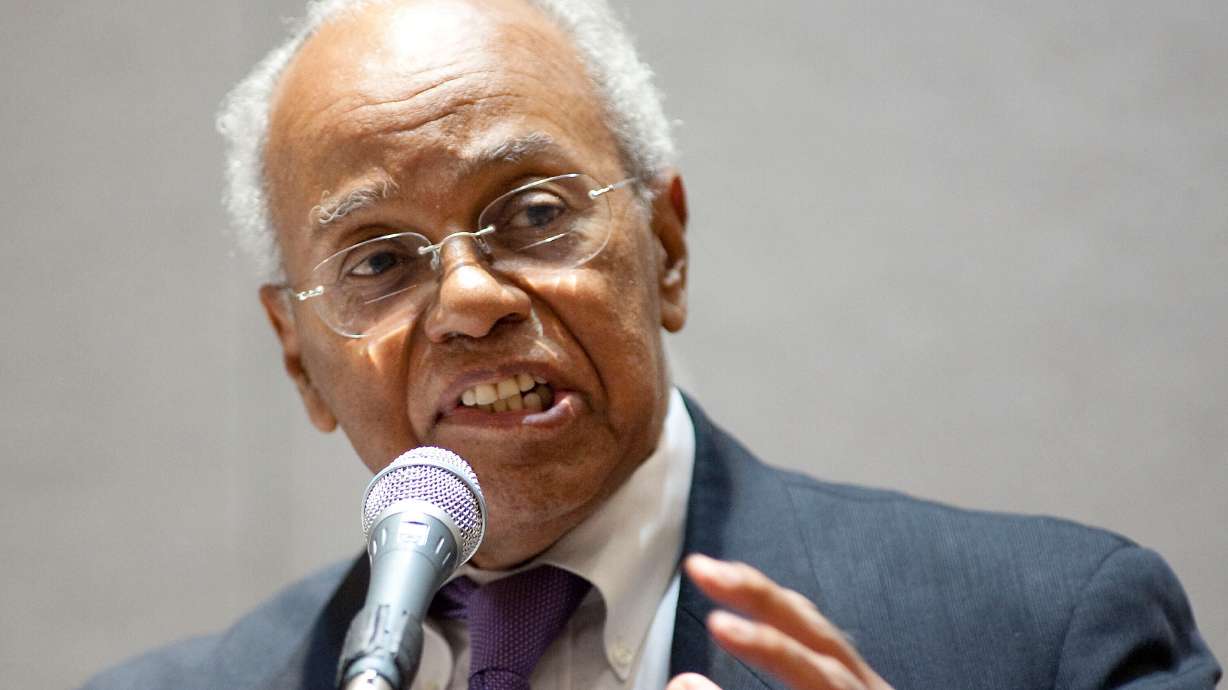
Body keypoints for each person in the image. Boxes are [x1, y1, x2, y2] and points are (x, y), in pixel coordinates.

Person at [83, 0, 1220, 688]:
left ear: (664, 248)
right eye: (378, 262)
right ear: (298, 358)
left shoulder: (1051, 635)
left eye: (533, 213)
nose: (472, 299)